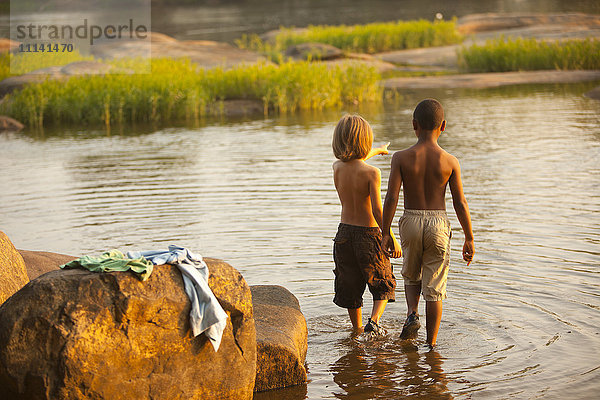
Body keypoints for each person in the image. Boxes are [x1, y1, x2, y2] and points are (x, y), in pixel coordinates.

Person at [381, 99, 474, 348]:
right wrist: (469, 236)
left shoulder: (400, 158)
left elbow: (391, 197)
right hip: (438, 223)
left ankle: (412, 312)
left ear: (414, 125)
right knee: (434, 287)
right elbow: (460, 203)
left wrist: (384, 232)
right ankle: (431, 346)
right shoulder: (450, 161)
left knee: (411, 275)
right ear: (443, 126)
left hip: (410, 219)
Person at [331, 114, 400, 334]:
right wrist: (390, 236)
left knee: (350, 284)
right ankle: (374, 321)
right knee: (382, 279)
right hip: (369, 234)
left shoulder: (337, 168)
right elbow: (377, 210)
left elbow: (353, 162)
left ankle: (357, 329)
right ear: (365, 141)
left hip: (343, 235)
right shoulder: (373, 173)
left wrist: (378, 149)